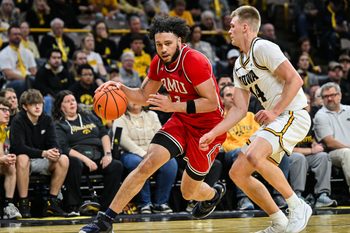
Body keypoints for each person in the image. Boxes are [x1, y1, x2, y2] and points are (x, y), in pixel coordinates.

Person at [79, 16, 226, 233]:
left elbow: (211, 103)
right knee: (146, 164)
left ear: (179, 40)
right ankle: (105, 220)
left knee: (188, 192)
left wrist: (172, 106)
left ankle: (214, 194)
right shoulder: (158, 62)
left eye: (168, 43)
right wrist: (119, 88)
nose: (163, 49)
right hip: (181, 121)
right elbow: (142, 96)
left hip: (208, 128)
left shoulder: (195, 60)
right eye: (159, 44)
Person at [199, 6, 312, 233]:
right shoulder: (239, 65)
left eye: (232, 26)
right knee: (237, 172)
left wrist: (274, 110)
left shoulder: (263, 47)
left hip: (293, 114)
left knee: (252, 155)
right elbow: (239, 109)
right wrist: (213, 132)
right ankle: (279, 221)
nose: (228, 30)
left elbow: (295, 80)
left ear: (245, 27)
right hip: (277, 118)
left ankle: (297, 205)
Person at [53, 90, 123, 216]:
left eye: (73, 100)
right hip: (78, 157)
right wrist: (86, 160)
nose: (72, 103)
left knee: (116, 165)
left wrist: (108, 154)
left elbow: (103, 134)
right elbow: (64, 148)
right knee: (73, 163)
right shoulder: (59, 124)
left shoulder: (89, 116)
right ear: (60, 106)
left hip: (97, 155)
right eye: (67, 101)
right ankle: (75, 205)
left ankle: (107, 206)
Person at [10, 89, 69, 218]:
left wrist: (55, 152)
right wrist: (43, 153)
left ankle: (52, 202)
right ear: (25, 106)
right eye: (33, 104)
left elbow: (55, 143)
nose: (37, 107)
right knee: (22, 158)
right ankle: (24, 203)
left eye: (40, 103)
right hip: (26, 163)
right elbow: (18, 147)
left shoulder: (47, 119)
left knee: (63, 159)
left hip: (43, 159)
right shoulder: (18, 120)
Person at [112, 101, 177, 214]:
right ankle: (144, 203)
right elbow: (123, 140)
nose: (134, 102)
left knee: (171, 163)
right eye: (130, 99)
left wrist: (154, 153)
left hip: (152, 151)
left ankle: (161, 203)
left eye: (136, 98)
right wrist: (143, 154)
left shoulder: (152, 115)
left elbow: (160, 134)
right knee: (137, 163)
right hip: (131, 153)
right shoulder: (120, 118)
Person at [289, 94, 337, 208]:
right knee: (299, 158)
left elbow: (310, 139)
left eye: (308, 103)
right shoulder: (289, 121)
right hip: (289, 156)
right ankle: (297, 196)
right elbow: (289, 149)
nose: (305, 106)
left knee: (323, 156)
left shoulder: (308, 120)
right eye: (302, 103)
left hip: (306, 154)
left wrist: (314, 143)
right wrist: (311, 150)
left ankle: (322, 195)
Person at [313, 82, 350, 196]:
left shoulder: (349, 109)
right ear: (322, 99)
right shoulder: (320, 115)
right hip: (333, 153)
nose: (329, 98)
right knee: (347, 153)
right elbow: (330, 143)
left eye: (333, 95)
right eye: (326, 96)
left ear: (340, 95)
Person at [0, 97, 21, 219]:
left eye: (8, 110)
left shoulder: (2, 129)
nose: (7, 113)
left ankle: (8, 205)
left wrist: (6, 158)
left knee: (10, 166)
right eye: (3, 110)